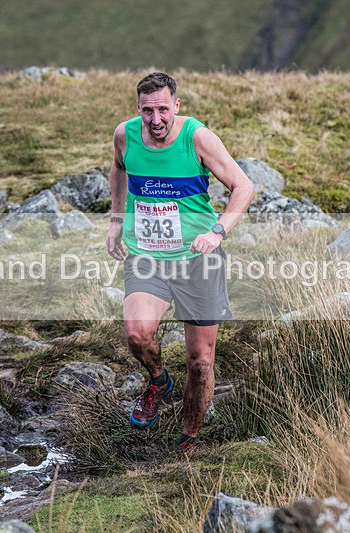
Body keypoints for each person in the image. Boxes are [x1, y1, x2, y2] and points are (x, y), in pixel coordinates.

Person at [106, 72, 254, 453]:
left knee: (200, 362)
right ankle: (158, 380)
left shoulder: (197, 138)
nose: (155, 120)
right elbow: (119, 169)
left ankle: (187, 442)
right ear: (138, 108)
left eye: (162, 110)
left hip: (197, 260)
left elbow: (244, 186)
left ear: (177, 106)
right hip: (147, 257)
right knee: (137, 334)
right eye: (146, 110)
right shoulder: (126, 134)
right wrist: (115, 220)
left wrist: (218, 230)